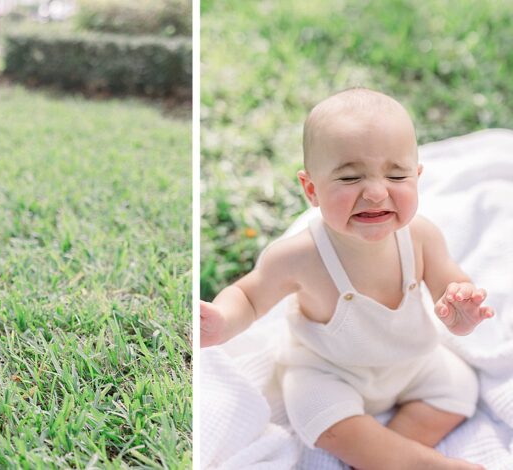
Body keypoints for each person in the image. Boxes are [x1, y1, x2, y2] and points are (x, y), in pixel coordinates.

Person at [200, 88, 492, 469]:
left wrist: (461, 310)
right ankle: (418, 463)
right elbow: (250, 296)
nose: (374, 192)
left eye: (397, 174)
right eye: (351, 177)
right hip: (329, 370)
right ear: (311, 190)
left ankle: (389, 451)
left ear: (417, 178)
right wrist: (221, 320)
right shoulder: (299, 255)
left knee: (459, 388)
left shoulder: (422, 237)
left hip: (411, 364)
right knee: (317, 414)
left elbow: (450, 283)